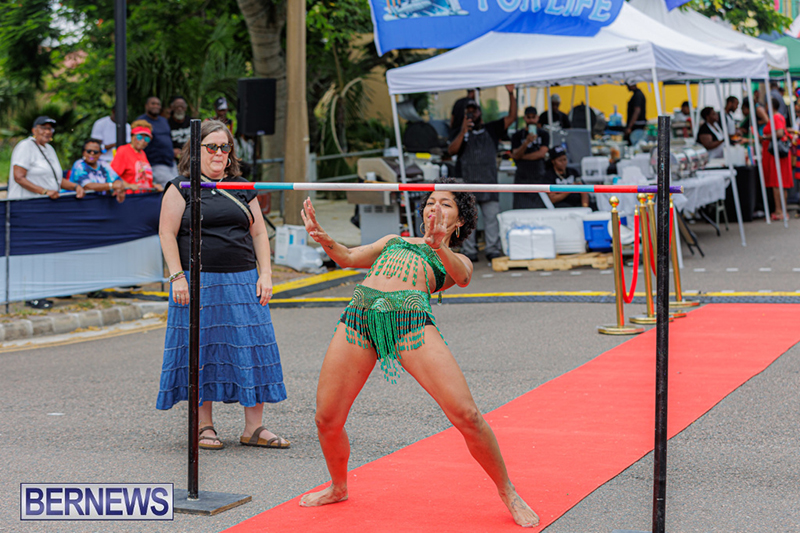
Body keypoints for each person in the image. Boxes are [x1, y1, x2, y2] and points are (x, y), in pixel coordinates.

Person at [297, 180, 539, 528]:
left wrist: (438, 245)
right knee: (326, 419)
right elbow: (348, 258)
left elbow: (463, 277)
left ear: (459, 222)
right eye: (429, 202)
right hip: (359, 318)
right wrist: (324, 238)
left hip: (411, 323)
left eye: (445, 204)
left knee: (467, 415)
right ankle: (338, 486)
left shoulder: (455, 257)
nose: (433, 208)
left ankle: (508, 492)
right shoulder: (394, 241)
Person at [156, 119, 288, 450]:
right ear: (196, 151)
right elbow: (166, 234)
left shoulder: (242, 186)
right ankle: (204, 426)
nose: (219, 153)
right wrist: (177, 276)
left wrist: (266, 274)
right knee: (203, 351)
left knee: (252, 347)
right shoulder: (180, 186)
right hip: (198, 281)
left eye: (224, 147)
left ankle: (253, 428)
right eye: (211, 147)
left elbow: (259, 232)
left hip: (243, 279)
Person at [9, 116, 85, 310]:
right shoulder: (25, 146)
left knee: (45, 250)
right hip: (28, 207)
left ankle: (43, 291)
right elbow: (19, 177)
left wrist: (75, 186)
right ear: (34, 129)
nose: (48, 131)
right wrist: (43, 191)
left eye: (51, 128)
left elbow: (56, 181)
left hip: (47, 209)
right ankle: (30, 296)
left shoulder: (49, 149)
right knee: (31, 251)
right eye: (44, 127)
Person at [447, 84, 516, 262]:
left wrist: (511, 93)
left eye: (474, 111)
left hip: (489, 182)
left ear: (480, 112)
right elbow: (452, 151)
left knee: (492, 218)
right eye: (468, 112)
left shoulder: (492, 129)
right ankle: (469, 251)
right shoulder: (459, 131)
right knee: (467, 220)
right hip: (467, 183)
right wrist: (463, 130)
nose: (472, 115)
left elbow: (512, 117)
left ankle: (492, 249)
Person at [510, 106, 549, 209]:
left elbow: (541, 153)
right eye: (528, 117)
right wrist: (526, 143)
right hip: (522, 178)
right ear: (524, 118)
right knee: (520, 210)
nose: (531, 120)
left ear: (537, 118)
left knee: (539, 210)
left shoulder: (544, 134)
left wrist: (522, 156)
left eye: (533, 117)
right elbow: (516, 155)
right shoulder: (517, 135)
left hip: (539, 177)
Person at [69, 138, 132, 203]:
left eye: (96, 152)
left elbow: (116, 179)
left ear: (100, 154)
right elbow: (88, 186)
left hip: (101, 204)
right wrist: (112, 186)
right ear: (83, 152)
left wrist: (118, 186)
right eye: (89, 151)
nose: (92, 153)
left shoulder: (103, 164)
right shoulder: (79, 165)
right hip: (81, 204)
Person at [761, 97, 793, 221]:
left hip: (777, 155)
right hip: (779, 154)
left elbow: (779, 133)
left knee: (777, 182)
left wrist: (765, 137)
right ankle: (782, 210)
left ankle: (779, 210)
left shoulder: (775, 117)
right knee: (781, 183)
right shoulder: (779, 117)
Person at [111, 120, 162, 193]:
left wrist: (154, 186)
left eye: (147, 139)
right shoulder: (123, 150)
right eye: (139, 137)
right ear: (132, 136)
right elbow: (112, 176)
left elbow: (143, 178)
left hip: (143, 197)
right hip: (129, 198)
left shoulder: (142, 153)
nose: (143, 141)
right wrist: (128, 185)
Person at [137, 96, 178, 186]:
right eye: (153, 104)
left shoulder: (163, 120)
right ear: (146, 106)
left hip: (170, 162)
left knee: (180, 185)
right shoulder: (142, 122)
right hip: (156, 164)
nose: (156, 106)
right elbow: (138, 143)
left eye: (158, 104)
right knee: (173, 187)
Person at [168, 96, 192, 162]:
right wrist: (171, 151)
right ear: (172, 107)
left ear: (185, 108)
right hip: (173, 160)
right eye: (177, 106)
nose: (179, 109)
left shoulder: (192, 121)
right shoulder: (167, 123)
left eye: (182, 106)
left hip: (191, 157)